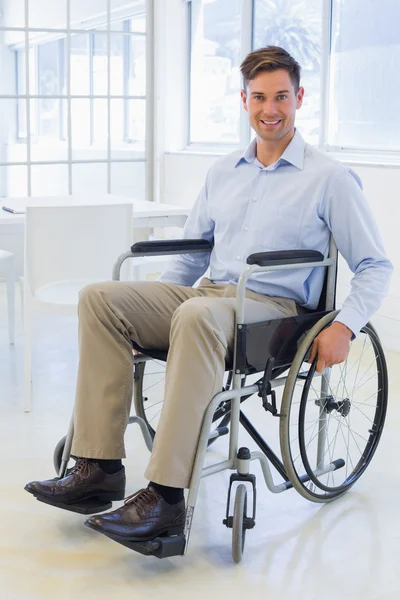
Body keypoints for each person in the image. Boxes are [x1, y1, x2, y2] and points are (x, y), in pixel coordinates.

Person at [25, 46, 392, 545]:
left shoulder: (329, 179)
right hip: (210, 299)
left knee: (197, 314)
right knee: (100, 297)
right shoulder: (223, 172)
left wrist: (344, 325)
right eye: (259, 97)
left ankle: (166, 500)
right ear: (244, 100)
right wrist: (144, 312)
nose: (271, 109)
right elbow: (191, 258)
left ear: (300, 97)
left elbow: (374, 265)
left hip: (275, 311)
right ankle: (98, 468)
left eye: (281, 96)